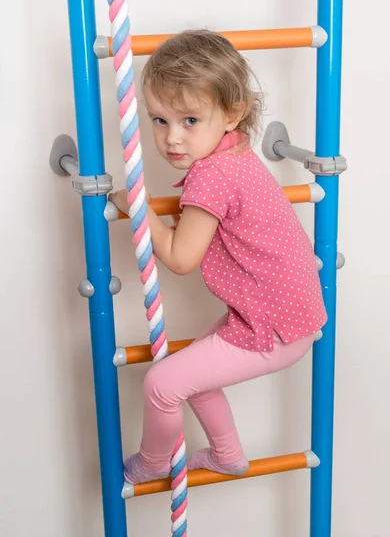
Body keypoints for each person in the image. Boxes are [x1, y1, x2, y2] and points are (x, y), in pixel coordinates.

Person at [109, 29, 327, 485]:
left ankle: (152, 462)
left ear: (232, 114)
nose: (171, 139)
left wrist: (136, 203)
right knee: (194, 377)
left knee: (161, 384)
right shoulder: (235, 153)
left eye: (190, 120)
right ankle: (228, 455)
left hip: (272, 327)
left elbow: (180, 256)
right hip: (279, 317)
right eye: (159, 120)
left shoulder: (212, 176)